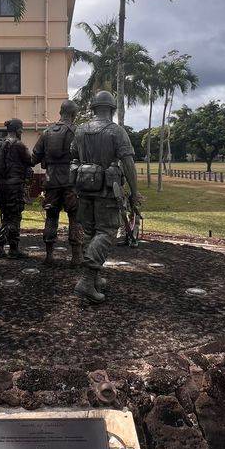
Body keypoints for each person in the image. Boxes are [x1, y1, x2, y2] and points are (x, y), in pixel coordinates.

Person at [71, 90, 140, 303]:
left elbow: (73, 157)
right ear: (111, 109)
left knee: (91, 231)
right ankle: (86, 280)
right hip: (106, 192)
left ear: (93, 108)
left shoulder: (80, 130)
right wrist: (135, 193)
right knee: (107, 232)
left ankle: (95, 278)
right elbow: (128, 163)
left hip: (84, 189)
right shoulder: (116, 131)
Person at [32, 99, 83, 266]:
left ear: (61, 112)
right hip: (72, 182)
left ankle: (49, 256)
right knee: (75, 218)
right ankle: (76, 257)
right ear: (73, 114)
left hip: (51, 181)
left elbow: (35, 157)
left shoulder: (47, 132)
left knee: (51, 217)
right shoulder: (77, 132)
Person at [0, 118, 33, 259]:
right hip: (15, 187)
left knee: (5, 216)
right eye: (21, 128)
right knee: (14, 217)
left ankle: (2, 248)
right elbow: (30, 160)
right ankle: (11, 248)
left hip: (1, 186)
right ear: (18, 129)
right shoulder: (18, 144)